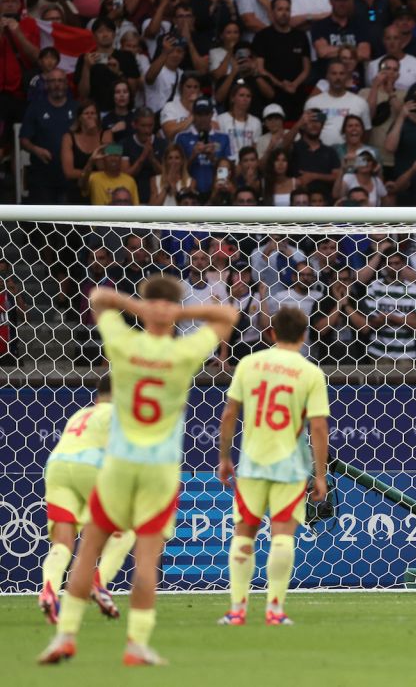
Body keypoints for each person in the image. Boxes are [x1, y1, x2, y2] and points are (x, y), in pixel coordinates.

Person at [38, 280, 237, 666]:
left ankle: (64, 637)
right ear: (175, 309)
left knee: (87, 552)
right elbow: (228, 315)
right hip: (159, 471)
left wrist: (142, 308)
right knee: (146, 560)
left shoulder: (124, 345)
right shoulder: (184, 353)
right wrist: (179, 314)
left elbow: (96, 296)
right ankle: (137, 645)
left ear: (146, 308)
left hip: (118, 466)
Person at [216, 306, 330, 627]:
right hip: (290, 468)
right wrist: (320, 475)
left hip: (251, 465)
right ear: (305, 335)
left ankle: (237, 610)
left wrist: (225, 457)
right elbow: (318, 427)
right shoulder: (310, 373)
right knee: (282, 536)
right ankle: (275, 610)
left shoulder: (249, 364)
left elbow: (228, 415)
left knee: (244, 534)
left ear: (271, 333)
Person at [38, 378, 136, 626]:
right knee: (126, 529)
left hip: (56, 467)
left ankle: (49, 589)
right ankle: (98, 583)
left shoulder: (80, 414)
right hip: (91, 466)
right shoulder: (118, 414)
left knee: (63, 542)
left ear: (96, 398)